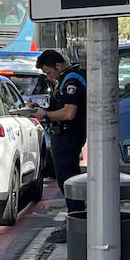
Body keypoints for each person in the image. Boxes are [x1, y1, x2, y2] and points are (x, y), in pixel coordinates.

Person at [34, 49, 86, 243]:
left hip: (68, 137)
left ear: (58, 65)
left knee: (69, 182)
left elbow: (69, 113)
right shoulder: (66, 78)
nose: (50, 77)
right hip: (64, 137)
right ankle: (76, 221)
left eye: (49, 72)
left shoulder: (71, 79)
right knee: (68, 182)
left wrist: (45, 115)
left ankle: (76, 223)